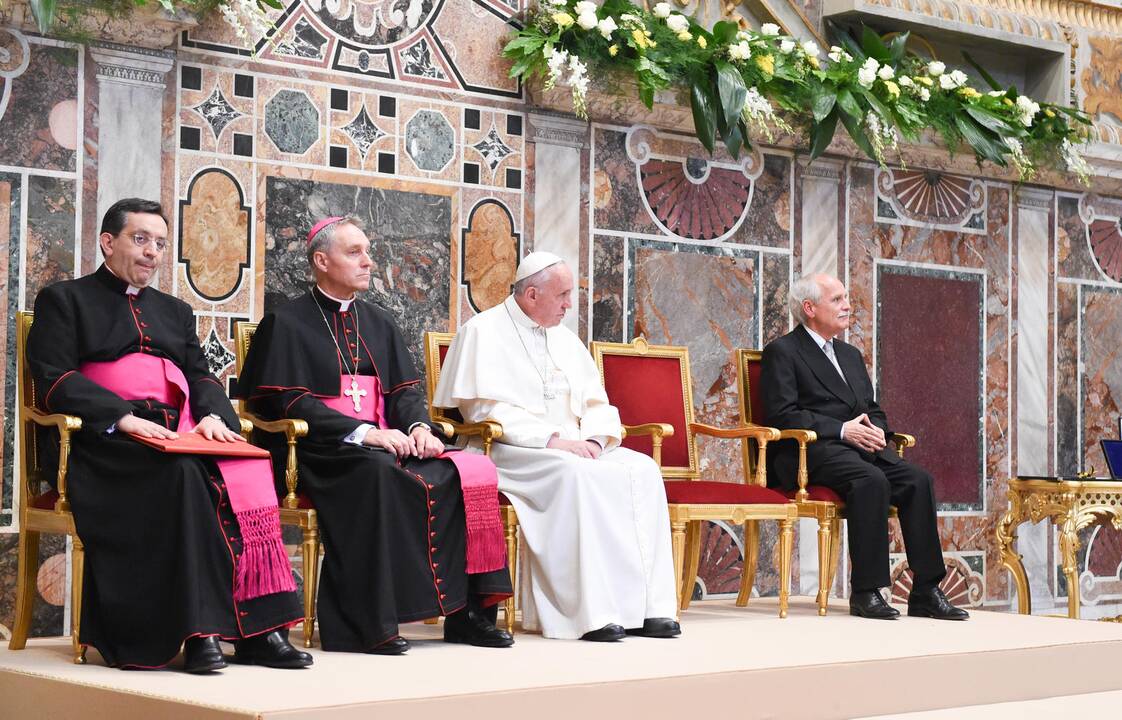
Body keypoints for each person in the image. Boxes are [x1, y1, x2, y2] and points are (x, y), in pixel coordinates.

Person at [26, 198, 311, 672]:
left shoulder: (175, 312)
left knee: (246, 465)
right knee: (184, 474)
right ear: (107, 242)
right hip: (103, 444)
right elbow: (54, 378)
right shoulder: (64, 299)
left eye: (159, 243)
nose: (152, 252)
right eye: (140, 240)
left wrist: (214, 418)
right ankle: (199, 632)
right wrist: (122, 416)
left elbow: (200, 377)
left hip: (174, 434)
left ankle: (261, 632)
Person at [236, 216, 513, 655]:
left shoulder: (379, 322)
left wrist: (419, 427)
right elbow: (286, 403)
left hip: (383, 441)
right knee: (379, 473)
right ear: (321, 261)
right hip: (317, 451)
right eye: (355, 253)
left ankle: (468, 616)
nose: (368, 262)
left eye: (368, 251)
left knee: (464, 473)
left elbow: (403, 393)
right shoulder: (285, 323)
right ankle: (367, 625)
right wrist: (362, 432)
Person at [434, 252, 680, 642]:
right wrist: (553, 441)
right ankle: (587, 613)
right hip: (508, 448)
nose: (569, 304)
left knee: (642, 469)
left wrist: (597, 439)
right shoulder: (481, 331)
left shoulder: (564, 338)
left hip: (574, 444)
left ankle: (650, 608)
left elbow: (596, 401)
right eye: (563, 295)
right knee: (573, 473)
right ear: (531, 294)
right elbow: (483, 409)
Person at [760, 273, 969, 621]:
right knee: (871, 481)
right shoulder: (783, 352)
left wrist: (878, 432)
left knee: (918, 480)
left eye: (846, 297)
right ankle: (866, 591)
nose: (847, 305)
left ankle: (926, 591)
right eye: (837, 299)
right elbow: (783, 415)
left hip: (858, 449)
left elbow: (871, 408)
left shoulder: (850, 354)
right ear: (809, 308)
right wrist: (842, 430)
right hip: (810, 452)